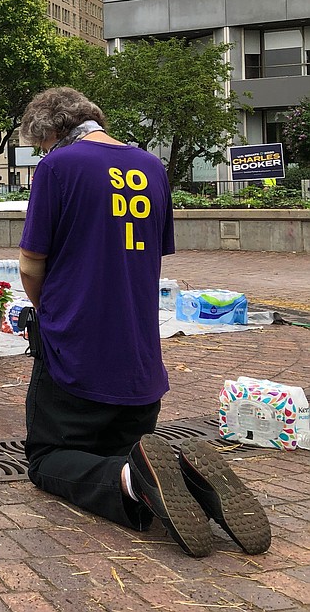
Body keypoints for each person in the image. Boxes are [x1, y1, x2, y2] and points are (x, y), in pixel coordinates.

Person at [18, 87, 270, 558]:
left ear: (52, 133)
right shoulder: (152, 167)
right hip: (139, 369)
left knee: (48, 460)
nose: (42, 153)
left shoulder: (58, 166)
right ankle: (184, 479)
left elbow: (32, 265)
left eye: (41, 144)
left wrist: (49, 311)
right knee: (118, 452)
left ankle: (136, 481)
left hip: (77, 356)